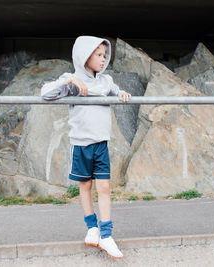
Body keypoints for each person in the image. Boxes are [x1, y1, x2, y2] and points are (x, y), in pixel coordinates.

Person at [41, 36, 131, 259]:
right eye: (98, 55)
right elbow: (45, 94)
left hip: (101, 144)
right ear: (85, 56)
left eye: (104, 55)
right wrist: (69, 81)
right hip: (81, 145)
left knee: (105, 188)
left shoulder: (105, 81)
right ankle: (92, 229)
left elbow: (116, 91)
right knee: (85, 187)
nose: (103, 60)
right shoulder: (71, 80)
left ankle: (107, 235)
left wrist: (121, 94)